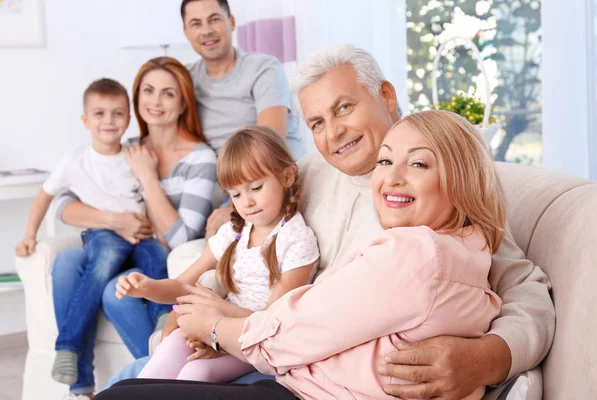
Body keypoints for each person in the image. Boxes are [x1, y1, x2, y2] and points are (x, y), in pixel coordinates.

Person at [105, 45, 555, 399]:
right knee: (130, 379)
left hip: (294, 373)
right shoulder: (304, 175)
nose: (333, 133)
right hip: (258, 353)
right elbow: (247, 243)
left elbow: (527, 289)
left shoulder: (439, 192)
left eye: (343, 108)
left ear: (386, 95)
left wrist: (490, 357)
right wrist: (200, 310)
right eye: (316, 122)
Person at [53, 57, 217, 398]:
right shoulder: (122, 146)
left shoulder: (200, 158)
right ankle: (78, 381)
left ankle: (155, 380)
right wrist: (115, 221)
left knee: (118, 293)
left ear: (184, 101)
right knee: (66, 262)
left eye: (168, 94)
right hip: (117, 247)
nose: (155, 102)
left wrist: (147, 177)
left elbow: (182, 237)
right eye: (148, 91)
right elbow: (62, 204)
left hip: (158, 259)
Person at [115, 126, 319, 383]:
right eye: (235, 194)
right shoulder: (234, 232)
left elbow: (272, 321)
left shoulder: (297, 241)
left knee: (197, 372)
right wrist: (146, 287)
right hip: (219, 328)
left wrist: (217, 321)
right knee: (176, 343)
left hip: (255, 340)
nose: (247, 201)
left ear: (287, 176)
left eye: (256, 187)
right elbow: (181, 285)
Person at [14, 78, 172, 390]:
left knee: (157, 255)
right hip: (103, 235)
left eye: (117, 114)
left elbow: (150, 201)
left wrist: (156, 233)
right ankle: (69, 345)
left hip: (140, 236)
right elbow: (46, 195)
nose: (109, 121)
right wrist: (30, 234)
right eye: (99, 114)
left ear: (128, 118)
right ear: (85, 120)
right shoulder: (75, 160)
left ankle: (163, 321)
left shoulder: (135, 156)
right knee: (105, 256)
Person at [179, 0, 307, 237]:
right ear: (186, 32)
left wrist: (233, 207)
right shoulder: (186, 79)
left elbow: (269, 144)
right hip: (227, 185)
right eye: (196, 23)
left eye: (214, 19)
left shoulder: (263, 68)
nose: (206, 30)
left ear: (232, 22)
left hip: (268, 177)